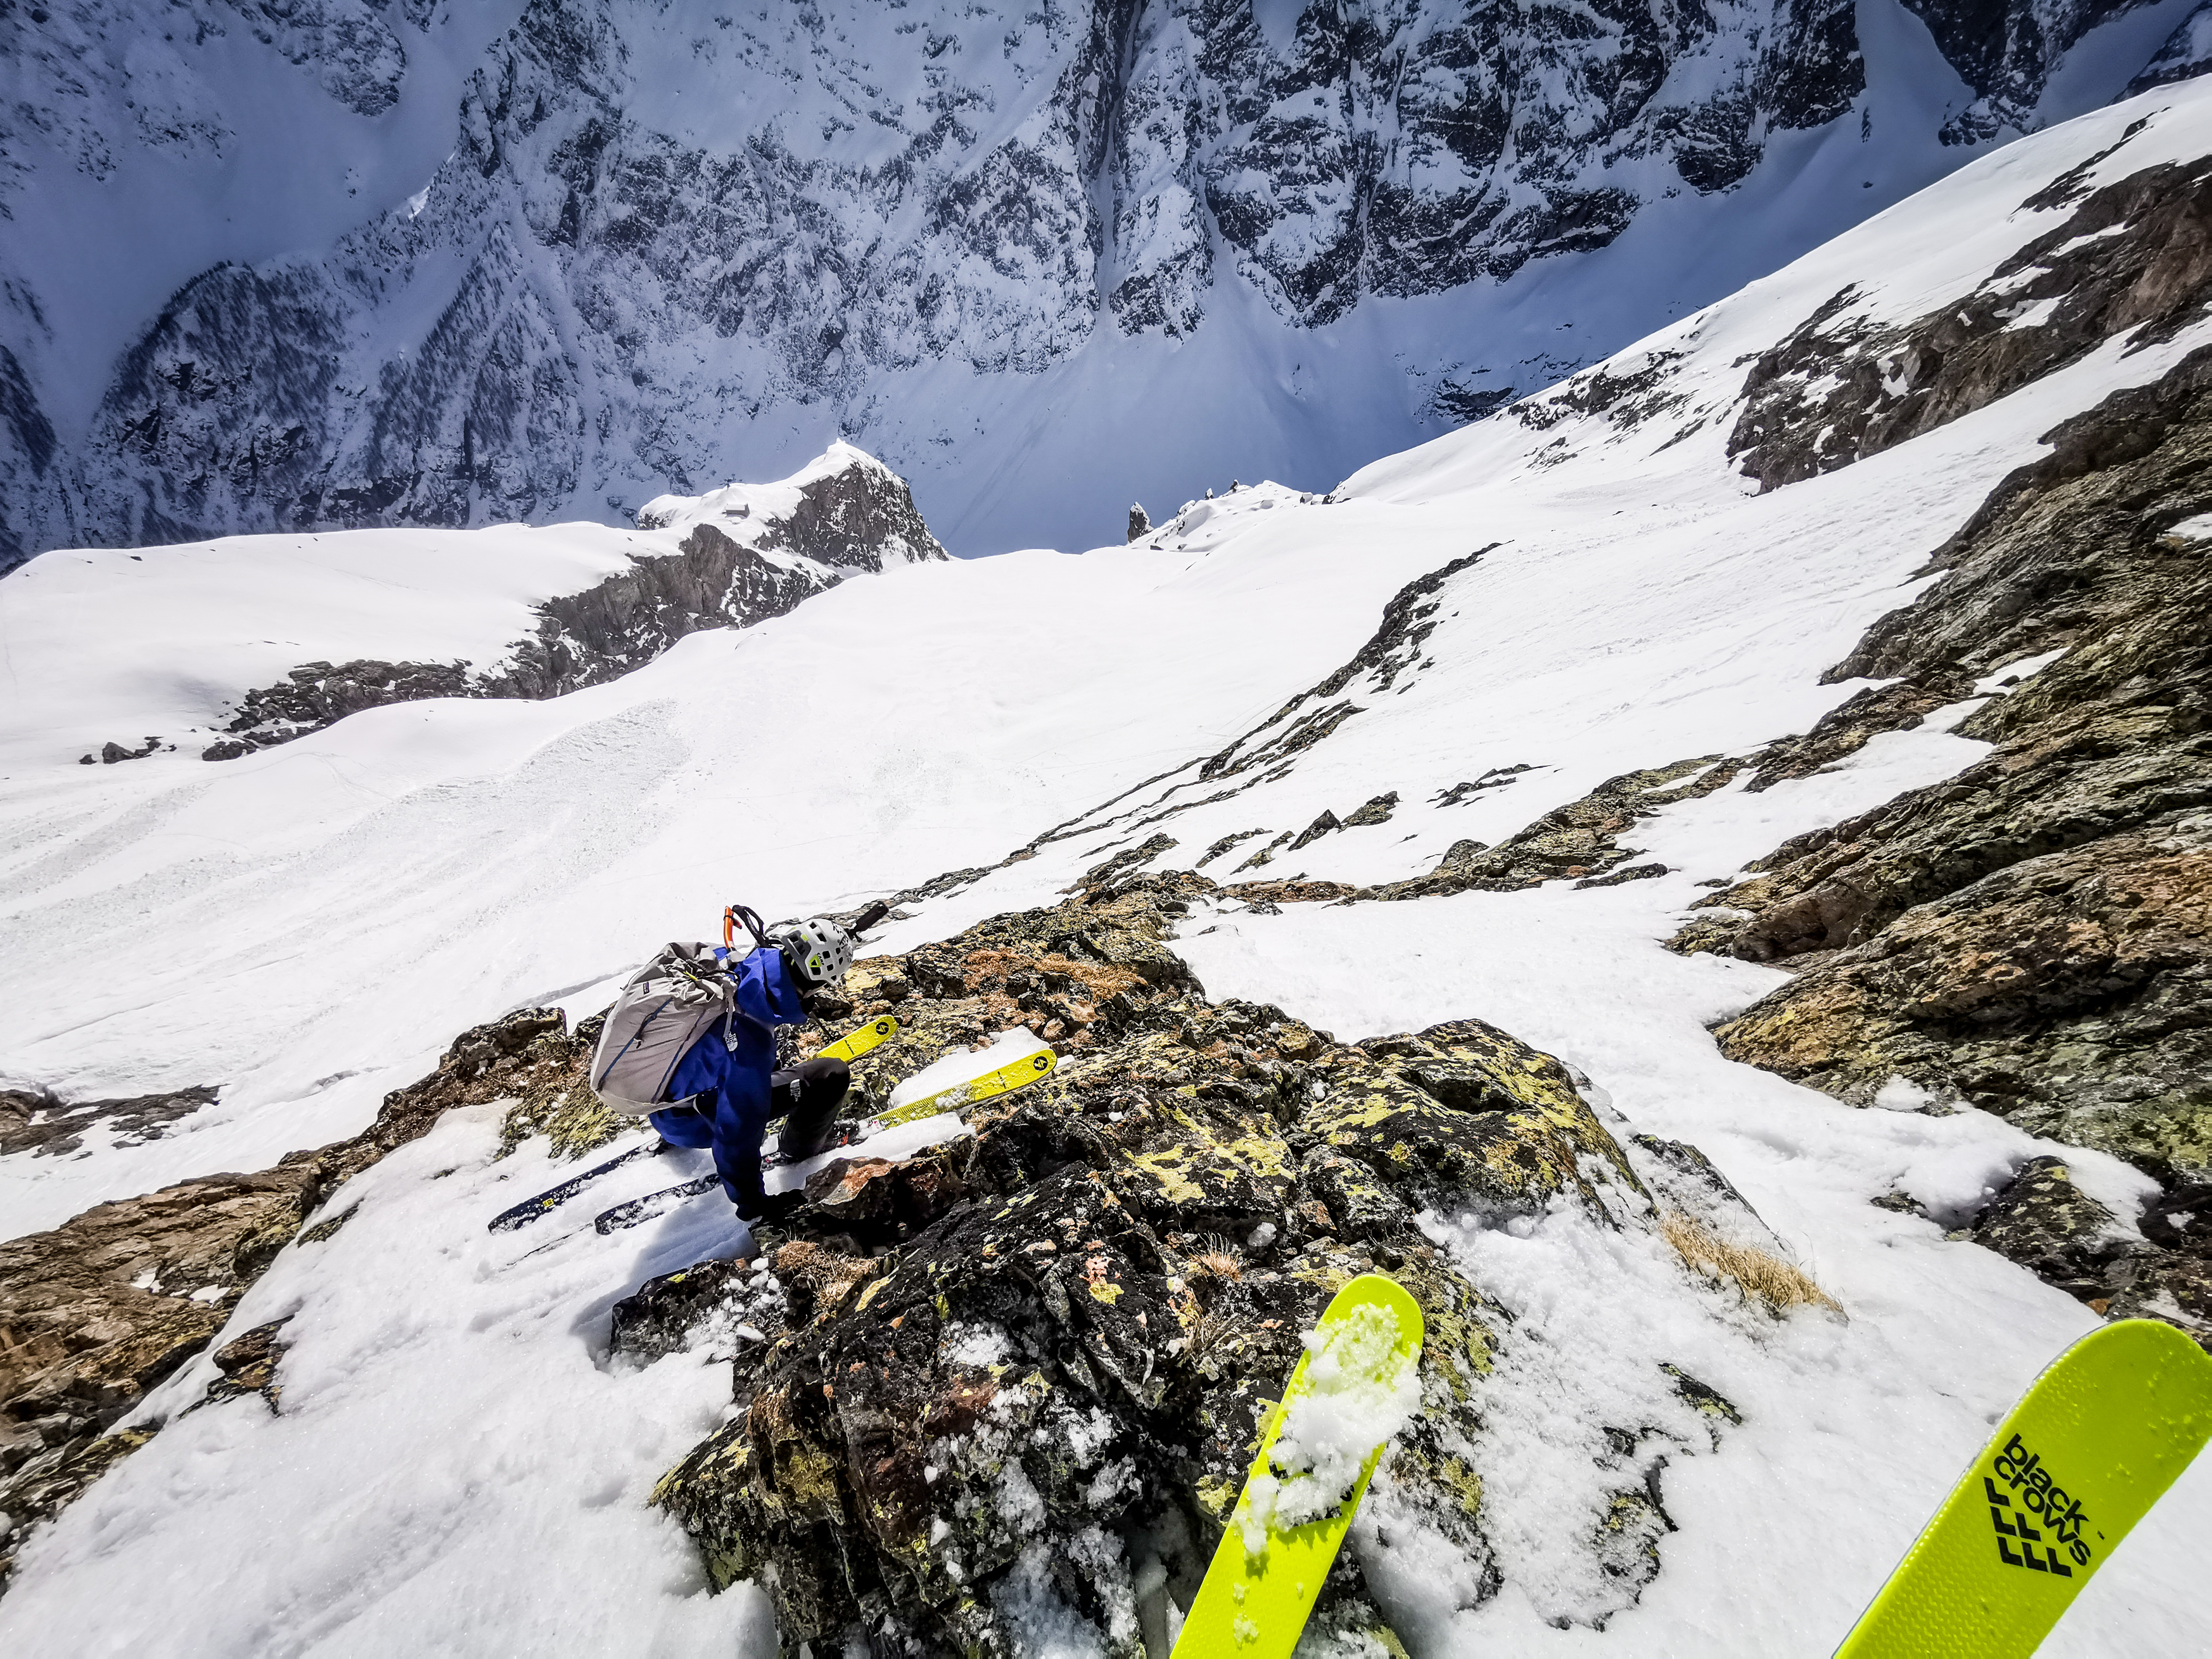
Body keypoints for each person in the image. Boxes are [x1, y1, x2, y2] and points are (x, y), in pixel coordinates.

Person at [648, 912, 858, 1231]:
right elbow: (736, 1136)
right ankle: (798, 1151)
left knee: (741, 1075)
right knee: (832, 1077)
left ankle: (688, 1112)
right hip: (695, 1126)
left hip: (660, 1102)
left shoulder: (727, 964)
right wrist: (755, 1205)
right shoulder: (751, 1040)